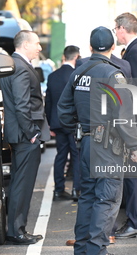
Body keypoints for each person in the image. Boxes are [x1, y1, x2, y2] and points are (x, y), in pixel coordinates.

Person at [58, 26, 137, 255]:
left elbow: (63, 111)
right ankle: (96, 250)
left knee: (87, 197)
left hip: (85, 144)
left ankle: (83, 248)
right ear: (113, 47)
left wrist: (82, 128)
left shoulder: (78, 73)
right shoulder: (113, 75)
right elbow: (123, 117)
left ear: (90, 47)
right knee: (106, 199)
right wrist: (134, 146)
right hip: (108, 148)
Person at [0, 30, 50, 245]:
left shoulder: (14, 64)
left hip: (20, 134)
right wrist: (32, 134)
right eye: (37, 43)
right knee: (22, 184)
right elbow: (22, 105)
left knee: (20, 183)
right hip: (24, 135)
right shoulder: (20, 67)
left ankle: (16, 229)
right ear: (26, 44)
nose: (40, 48)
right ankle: (17, 231)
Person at [113, 12, 137, 239]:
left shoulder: (135, 52)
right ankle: (134, 219)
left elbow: (135, 92)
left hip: (135, 123)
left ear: (121, 28)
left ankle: (135, 221)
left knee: (132, 174)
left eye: (115, 29)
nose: (114, 33)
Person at [45, 45, 81, 201]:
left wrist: (50, 124)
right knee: (76, 155)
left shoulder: (53, 76)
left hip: (58, 123)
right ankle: (76, 190)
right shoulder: (76, 75)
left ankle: (58, 190)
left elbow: (48, 102)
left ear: (64, 56)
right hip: (73, 124)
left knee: (61, 155)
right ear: (77, 57)